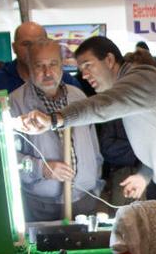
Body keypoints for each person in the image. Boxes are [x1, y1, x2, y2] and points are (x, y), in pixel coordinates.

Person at [16, 36, 156, 211]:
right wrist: (144, 176)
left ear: (109, 60)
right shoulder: (128, 94)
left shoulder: (139, 79)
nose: (84, 75)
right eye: (81, 68)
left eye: (88, 65)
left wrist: (54, 119)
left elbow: (100, 107)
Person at [9, 39, 102, 221]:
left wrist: (95, 184)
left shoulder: (78, 96)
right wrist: (41, 168)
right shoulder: (15, 103)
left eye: (53, 64)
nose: (47, 72)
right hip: (43, 205)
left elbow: (94, 148)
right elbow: (7, 158)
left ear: (62, 64)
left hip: (85, 199)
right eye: (39, 66)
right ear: (28, 67)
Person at [0, 21, 81, 93]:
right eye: (26, 44)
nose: (33, 49)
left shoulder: (67, 82)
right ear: (14, 47)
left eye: (39, 43)